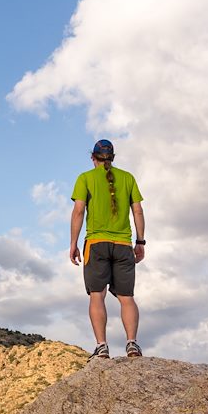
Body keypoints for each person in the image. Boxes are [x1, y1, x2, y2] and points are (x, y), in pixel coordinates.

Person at [69, 139, 146, 360]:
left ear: (93, 158)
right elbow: (138, 211)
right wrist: (140, 242)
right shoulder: (128, 178)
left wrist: (73, 244)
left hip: (96, 244)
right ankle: (132, 344)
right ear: (113, 158)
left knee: (97, 295)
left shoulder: (85, 178)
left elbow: (78, 211)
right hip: (123, 245)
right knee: (127, 297)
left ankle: (102, 346)